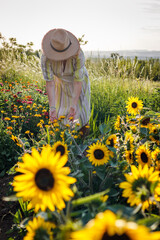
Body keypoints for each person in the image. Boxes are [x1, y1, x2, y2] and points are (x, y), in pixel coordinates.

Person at [41, 28, 90, 136]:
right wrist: (52, 107)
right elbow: (50, 83)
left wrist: (73, 105)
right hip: (60, 83)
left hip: (79, 82)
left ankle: (84, 141)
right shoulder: (46, 59)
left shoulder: (78, 55)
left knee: (80, 112)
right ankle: (63, 142)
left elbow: (78, 82)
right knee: (59, 112)